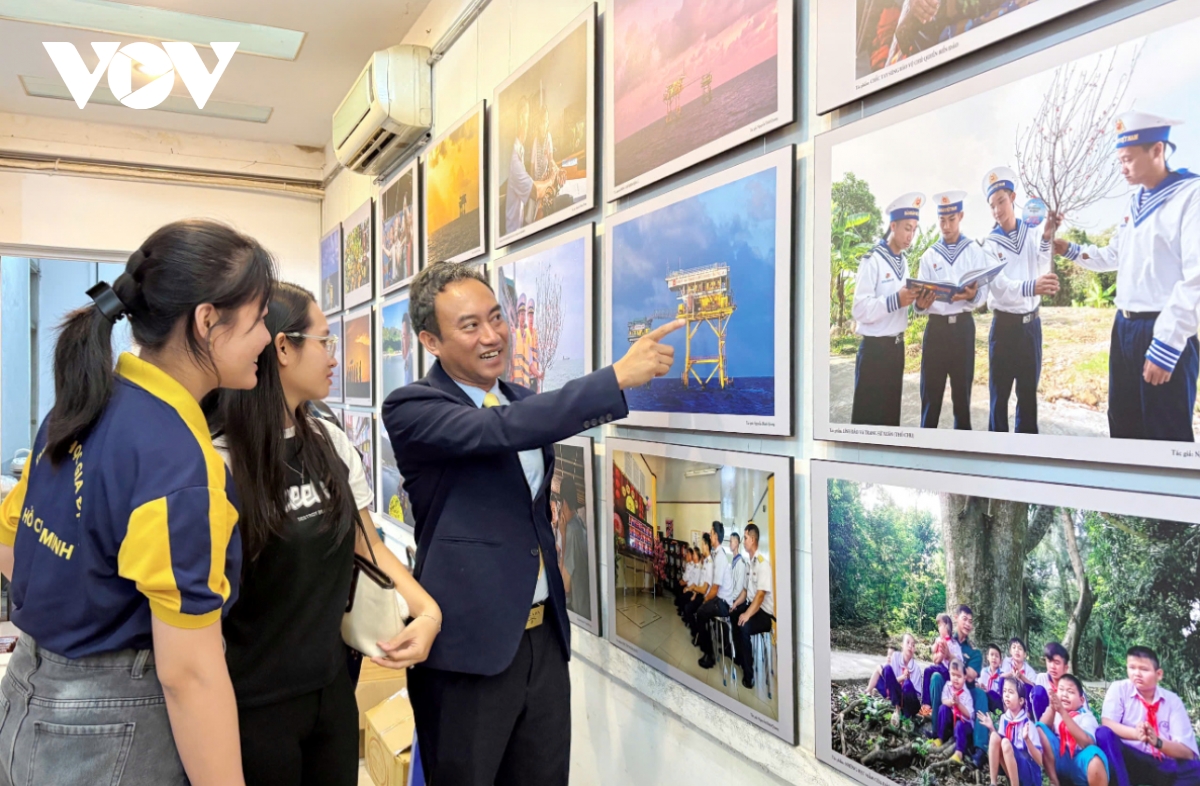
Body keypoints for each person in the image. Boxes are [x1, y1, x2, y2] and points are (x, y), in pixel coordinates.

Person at [381, 261, 681, 786]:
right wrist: (614, 379)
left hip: (542, 644)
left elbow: (523, 445)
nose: (493, 335)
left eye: (496, 317)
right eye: (470, 325)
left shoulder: (519, 398)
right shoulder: (413, 407)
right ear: (430, 340)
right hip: (468, 652)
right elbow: (497, 431)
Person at [0, 220, 276, 785]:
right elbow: (190, 674)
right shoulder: (178, 458)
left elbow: (13, 543)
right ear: (207, 320)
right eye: (260, 318)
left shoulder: (82, 404)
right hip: (109, 728)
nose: (268, 338)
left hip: (29, 700)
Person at [207, 282, 442, 786]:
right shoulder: (220, 462)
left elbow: (369, 544)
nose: (335, 357)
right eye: (325, 341)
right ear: (284, 348)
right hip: (253, 705)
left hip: (333, 690)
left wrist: (427, 611)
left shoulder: (328, 440)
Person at [1056, 112, 1200, 442]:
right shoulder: (1135, 202)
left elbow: (1196, 277)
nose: (1123, 168)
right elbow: (1114, 256)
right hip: (1124, 328)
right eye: (1120, 159)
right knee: (1123, 427)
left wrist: (1166, 345)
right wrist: (1070, 250)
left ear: (1157, 150)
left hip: (1161, 327)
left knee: (1165, 435)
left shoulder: (1190, 195)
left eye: (1128, 159)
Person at [981, 165, 1061, 434]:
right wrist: (1033, 286)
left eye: (1001, 201)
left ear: (1013, 198)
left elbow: (1041, 264)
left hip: (1031, 329)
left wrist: (1048, 235)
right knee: (999, 399)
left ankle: (1026, 462)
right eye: (992, 205)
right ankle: (996, 460)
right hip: (1004, 329)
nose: (997, 210)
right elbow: (1000, 287)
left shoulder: (1032, 231)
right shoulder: (990, 244)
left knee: (1027, 399)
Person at [852, 192, 936, 425]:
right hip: (874, 353)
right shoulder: (873, 259)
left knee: (890, 424)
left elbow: (902, 304)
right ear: (893, 226)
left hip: (896, 351)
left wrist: (919, 303)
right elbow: (859, 309)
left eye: (915, 229)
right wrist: (895, 300)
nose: (911, 235)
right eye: (907, 228)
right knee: (866, 427)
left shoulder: (904, 262)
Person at [915, 189, 992, 429]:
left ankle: (963, 455)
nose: (946, 226)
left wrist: (972, 295)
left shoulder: (973, 251)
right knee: (930, 399)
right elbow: (919, 302)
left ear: (960, 217)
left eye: (951, 219)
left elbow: (983, 293)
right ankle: (924, 455)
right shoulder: (929, 255)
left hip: (963, 330)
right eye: (942, 220)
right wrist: (921, 304)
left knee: (962, 399)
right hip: (936, 331)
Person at [1096, 646, 1200, 786]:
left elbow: (1187, 752)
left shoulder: (1172, 701)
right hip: (1129, 761)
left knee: (1195, 769)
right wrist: (1136, 733)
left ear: (1159, 674)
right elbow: (1107, 723)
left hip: (1162, 765)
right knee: (1103, 734)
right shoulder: (1119, 689)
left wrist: (1157, 741)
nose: (1137, 674)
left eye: (1144, 669)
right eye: (1132, 667)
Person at [926, 605, 992, 764]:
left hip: (967, 691)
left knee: (981, 695)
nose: (968, 624)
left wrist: (950, 655)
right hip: (949, 687)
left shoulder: (974, 652)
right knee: (935, 677)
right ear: (956, 618)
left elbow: (970, 676)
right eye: (965, 619)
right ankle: (936, 732)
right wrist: (940, 654)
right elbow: (936, 659)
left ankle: (980, 748)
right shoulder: (947, 639)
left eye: (971, 621)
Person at [1037, 673, 1110, 786]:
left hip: (1079, 761)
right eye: (1061, 690)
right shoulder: (1055, 713)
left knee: (1095, 756)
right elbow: (1041, 729)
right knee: (1039, 728)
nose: (1065, 694)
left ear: (1081, 700)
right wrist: (1052, 707)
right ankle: (1054, 780)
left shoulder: (1086, 717)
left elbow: (1087, 743)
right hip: (1059, 759)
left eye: (1070, 692)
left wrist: (1063, 713)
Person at [505, 96, 558, 236]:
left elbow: (550, 159)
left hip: (519, 228)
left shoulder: (519, 150)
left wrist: (553, 170)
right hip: (514, 233)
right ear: (522, 119)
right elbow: (534, 189)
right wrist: (551, 180)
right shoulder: (514, 158)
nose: (528, 126)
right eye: (527, 119)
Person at [978, 676, 1044, 786]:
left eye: (1011, 692)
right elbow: (999, 744)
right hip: (1013, 770)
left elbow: (1040, 761)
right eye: (1004, 691)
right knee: (994, 736)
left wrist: (1027, 739)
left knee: (1005, 742)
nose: (1006, 695)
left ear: (1021, 700)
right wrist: (991, 728)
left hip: (1030, 774)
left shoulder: (1028, 724)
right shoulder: (1004, 719)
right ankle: (993, 783)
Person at [734, 523, 775, 691]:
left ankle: (749, 676)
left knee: (743, 624)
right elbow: (745, 590)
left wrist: (747, 615)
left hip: (764, 614)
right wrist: (736, 604)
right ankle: (741, 657)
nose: (743, 542)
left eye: (745, 538)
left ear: (752, 539)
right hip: (753, 606)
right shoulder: (750, 564)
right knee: (734, 614)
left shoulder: (762, 564)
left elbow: (760, 596)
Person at [696, 521, 737, 670]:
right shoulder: (717, 555)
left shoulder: (720, 557)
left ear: (716, 537)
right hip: (721, 601)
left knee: (701, 612)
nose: (710, 535)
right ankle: (721, 646)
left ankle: (710, 655)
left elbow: (715, 588)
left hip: (723, 603)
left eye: (711, 533)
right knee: (704, 609)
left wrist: (706, 600)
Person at [554, 473, 589, 620]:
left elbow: (564, 585)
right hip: (586, 605)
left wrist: (562, 535)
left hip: (578, 610)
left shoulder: (570, 531)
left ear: (564, 503)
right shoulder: (580, 523)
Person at [867, 633, 921, 725]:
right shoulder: (895, 657)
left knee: (907, 684)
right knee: (887, 669)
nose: (910, 646)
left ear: (914, 649)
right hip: (896, 695)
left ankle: (905, 716)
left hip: (909, 701)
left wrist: (907, 681)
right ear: (902, 646)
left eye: (913, 645)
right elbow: (889, 678)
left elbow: (917, 695)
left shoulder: (916, 668)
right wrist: (901, 678)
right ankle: (897, 710)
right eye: (907, 643)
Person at [920, 613, 961, 715]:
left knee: (930, 671)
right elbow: (935, 655)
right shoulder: (939, 640)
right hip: (940, 667)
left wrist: (946, 654)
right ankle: (926, 703)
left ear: (947, 626)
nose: (938, 628)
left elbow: (959, 661)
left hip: (949, 671)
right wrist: (936, 646)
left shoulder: (953, 643)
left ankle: (927, 703)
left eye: (940, 625)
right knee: (928, 671)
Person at [938, 659, 976, 764]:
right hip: (951, 720)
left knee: (960, 724)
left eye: (959, 676)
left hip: (964, 724)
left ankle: (959, 752)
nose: (955, 679)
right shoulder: (948, 686)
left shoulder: (966, 695)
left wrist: (959, 704)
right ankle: (940, 737)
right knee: (943, 708)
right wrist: (951, 702)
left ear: (965, 677)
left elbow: (969, 715)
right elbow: (943, 700)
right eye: (953, 675)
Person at [1031, 642, 1072, 722]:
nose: (1052, 667)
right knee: (1037, 691)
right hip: (1045, 721)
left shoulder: (1072, 685)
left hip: (1065, 723)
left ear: (1066, 667)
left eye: (1057, 663)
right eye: (1049, 661)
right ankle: (1039, 728)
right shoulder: (1042, 678)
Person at [684, 534, 714, 635]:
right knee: (688, 607)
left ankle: (699, 636)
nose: (702, 547)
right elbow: (700, 582)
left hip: (705, 596)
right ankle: (696, 632)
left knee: (690, 609)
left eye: (702, 544)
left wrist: (693, 590)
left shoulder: (710, 563)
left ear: (706, 545)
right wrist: (694, 592)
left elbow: (705, 588)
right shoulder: (705, 561)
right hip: (700, 593)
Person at [980, 642, 1006, 713]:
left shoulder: (1002, 674)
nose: (994, 658)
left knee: (991, 693)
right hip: (985, 700)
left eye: (997, 656)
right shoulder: (984, 672)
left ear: (1000, 661)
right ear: (987, 657)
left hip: (998, 701)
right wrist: (981, 687)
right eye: (992, 655)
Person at [526, 296, 542, 393]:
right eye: (529, 315)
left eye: (532, 315)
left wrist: (539, 382)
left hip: (535, 379)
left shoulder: (536, 334)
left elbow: (537, 358)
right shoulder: (524, 334)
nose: (531, 318)